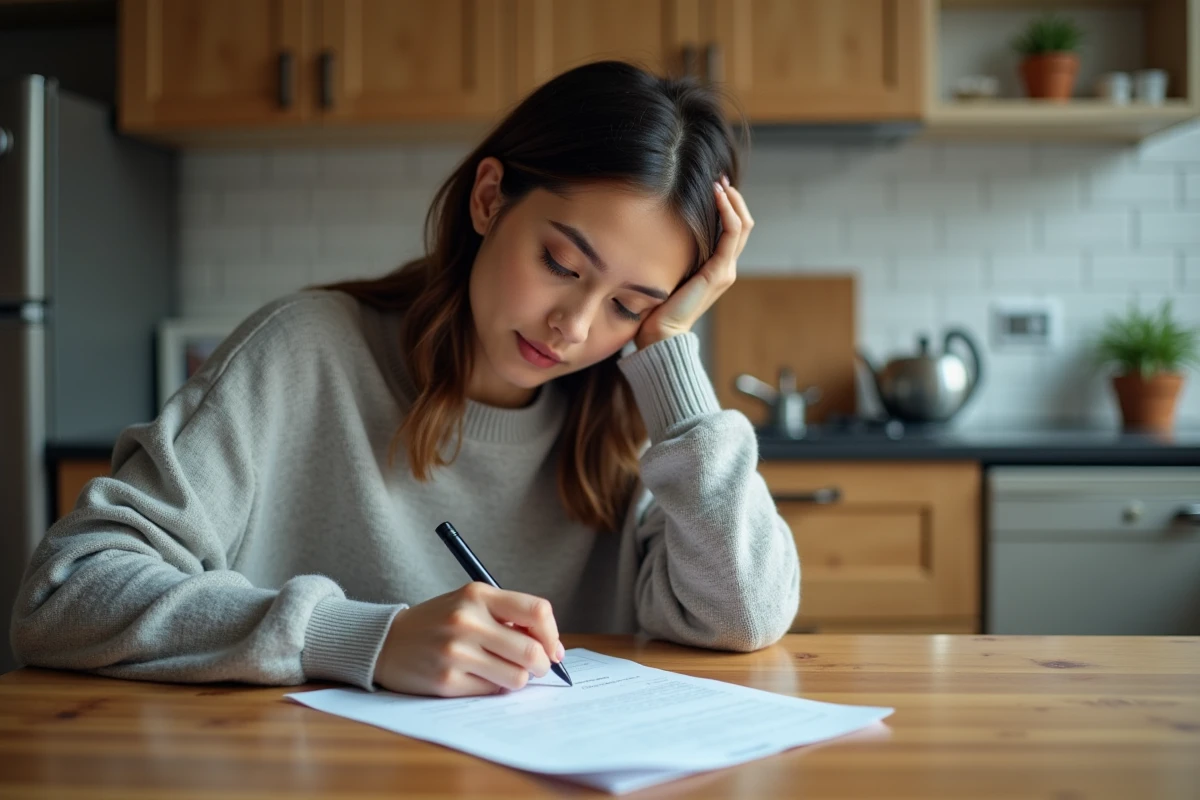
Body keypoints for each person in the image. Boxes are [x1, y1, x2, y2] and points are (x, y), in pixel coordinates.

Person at [10, 61, 800, 697]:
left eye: (631, 305)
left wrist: (670, 360)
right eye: (561, 263)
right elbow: (64, 597)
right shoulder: (306, 352)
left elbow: (743, 617)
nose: (577, 327)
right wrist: (365, 639)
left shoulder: (640, 420)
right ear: (490, 199)